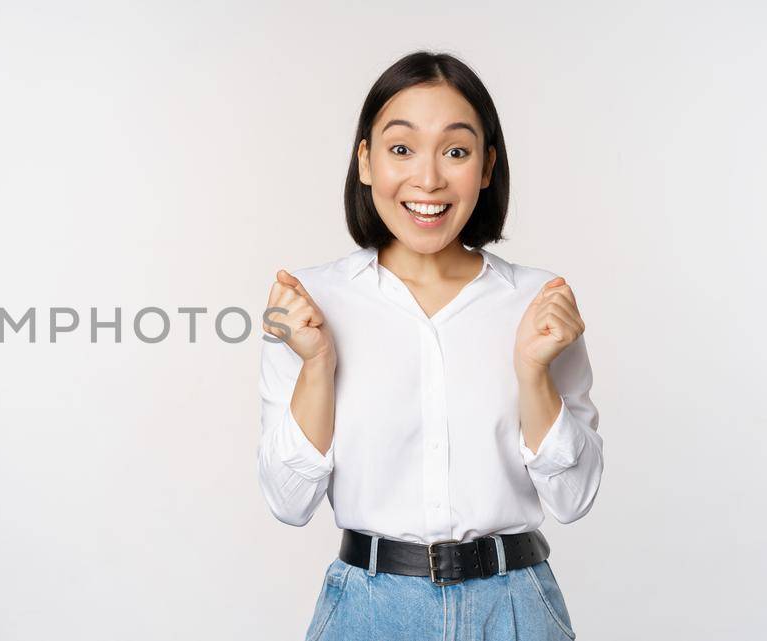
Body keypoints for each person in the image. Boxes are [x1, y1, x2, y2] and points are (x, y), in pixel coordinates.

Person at [256, 51, 603, 641]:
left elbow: (573, 499)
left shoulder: (537, 303)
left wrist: (533, 373)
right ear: (365, 161)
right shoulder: (309, 302)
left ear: (487, 167)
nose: (429, 179)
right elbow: (289, 502)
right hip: (368, 610)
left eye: (456, 151)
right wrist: (317, 364)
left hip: (515, 607)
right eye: (400, 148)